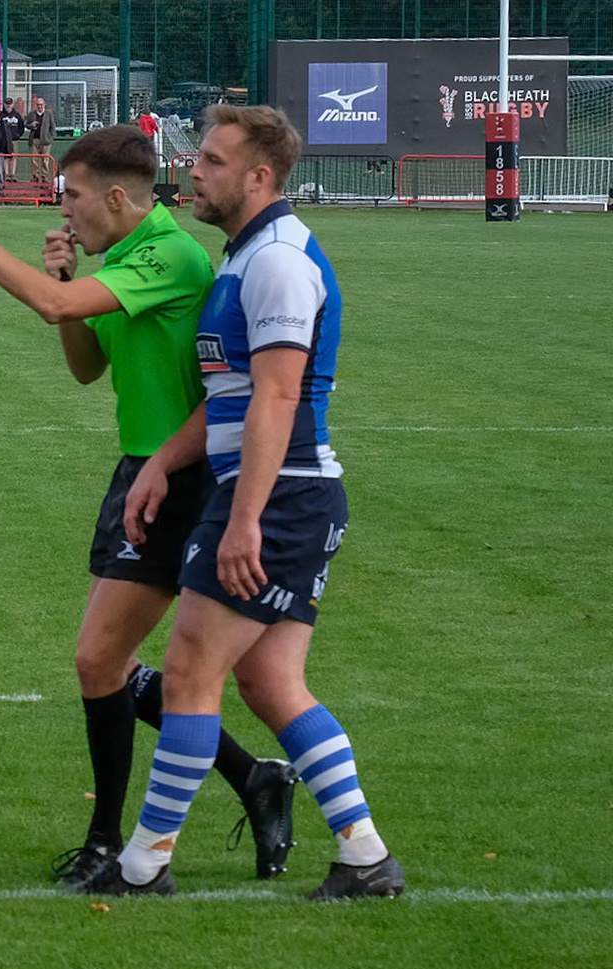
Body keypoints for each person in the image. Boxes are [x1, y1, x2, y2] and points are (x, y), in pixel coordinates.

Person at [0, 126, 298, 887]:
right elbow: (86, 366)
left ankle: (107, 844)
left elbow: (55, 307)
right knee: (114, 661)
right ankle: (254, 778)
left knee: (99, 659)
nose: (64, 211)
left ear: (118, 197)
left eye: (72, 197)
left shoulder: (168, 253)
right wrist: (65, 293)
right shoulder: (124, 259)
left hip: (182, 479)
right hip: (142, 470)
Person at [97, 105, 403, 900]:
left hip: (282, 496)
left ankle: (142, 866)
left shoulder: (276, 263)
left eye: (211, 160)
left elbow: (274, 397)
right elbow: (231, 396)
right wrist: (165, 462)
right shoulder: (245, 258)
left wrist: (241, 521)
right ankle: (365, 856)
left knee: (190, 668)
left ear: (259, 176)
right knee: (271, 685)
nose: (192, 171)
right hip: (284, 494)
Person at [25, 96, 55, 182]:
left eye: (41, 104)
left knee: (45, 160)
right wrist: (31, 125)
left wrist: (50, 137)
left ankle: (44, 176)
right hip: (34, 139)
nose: (40, 106)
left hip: (45, 141)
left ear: (44, 105)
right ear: (36, 105)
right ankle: (35, 176)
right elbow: (26, 125)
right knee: (34, 159)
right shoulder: (31, 114)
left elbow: (52, 126)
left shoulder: (49, 114)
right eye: (38, 105)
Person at [0, 98, 26, 181]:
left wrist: (18, 135)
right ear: (4, 104)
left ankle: (13, 174)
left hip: (14, 140)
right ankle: (6, 174)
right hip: (4, 141)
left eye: (10, 103)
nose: (8, 105)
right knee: (5, 158)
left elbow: (21, 127)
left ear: (12, 104)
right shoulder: (1, 115)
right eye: (6, 103)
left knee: (13, 157)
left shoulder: (17, 115)